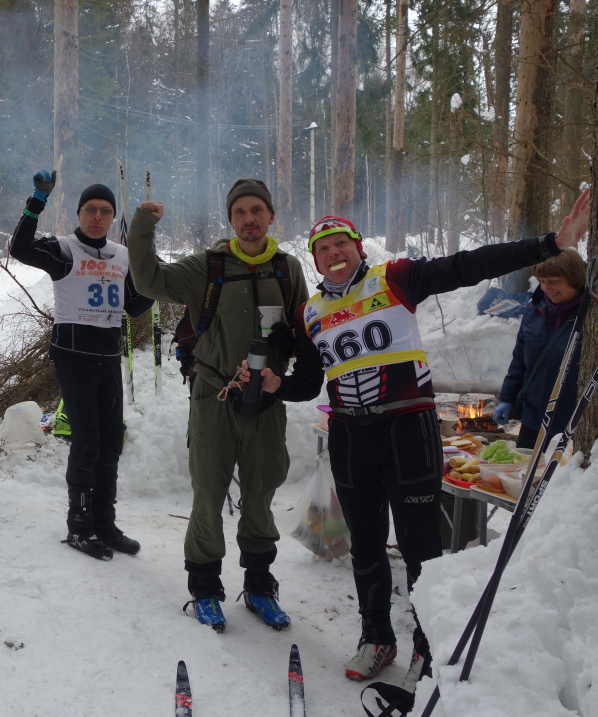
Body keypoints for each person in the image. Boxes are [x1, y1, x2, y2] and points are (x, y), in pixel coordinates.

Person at [258, 190, 590, 693]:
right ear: (316, 259)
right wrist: (278, 386)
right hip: (349, 435)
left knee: (421, 550)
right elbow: (309, 382)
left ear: (356, 247)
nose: (333, 253)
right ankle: (376, 637)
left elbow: (468, 265)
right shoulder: (309, 315)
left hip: (407, 429)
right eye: (322, 248)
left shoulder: (392, 279)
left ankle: (429, 647)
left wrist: (548, 244)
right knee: (366, 547)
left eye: (341, 243)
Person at [127, 179, 314, 630]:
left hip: (266, 399)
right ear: (230, 220)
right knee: (208, 495)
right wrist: (141, 228)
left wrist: (293, 366)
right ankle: (205, 589)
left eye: (256, 211)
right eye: (239, 213)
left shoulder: (288, 270)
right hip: (214, 395)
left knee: (261, 494)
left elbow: (308, 328)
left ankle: (260, 586)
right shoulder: (207, 267)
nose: (249, 219)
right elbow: (148, 280)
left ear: (270, 217)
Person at [10, 171, 153, 561]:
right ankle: (79, 525)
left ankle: (105, 523)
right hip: (73, 358)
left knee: (111, 442)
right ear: (79, 213)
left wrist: (153, 276)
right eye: (90, 209)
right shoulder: (64, 249)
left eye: (105, 211)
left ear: (111, 217)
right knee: (87, 442)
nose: (97, 216)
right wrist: (36, 199)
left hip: (108, 358)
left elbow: (135, 305)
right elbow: (20, 248)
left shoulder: (122, 255)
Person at [494, 248, 588, 451]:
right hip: (534, 418)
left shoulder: (590, 317)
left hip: (572, 422)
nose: (546, 288)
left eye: (553, 281)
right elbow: (519, 360)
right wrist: (507, 398)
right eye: (542, 281)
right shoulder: (535, 311)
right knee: (526, 475)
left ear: (573, 278)